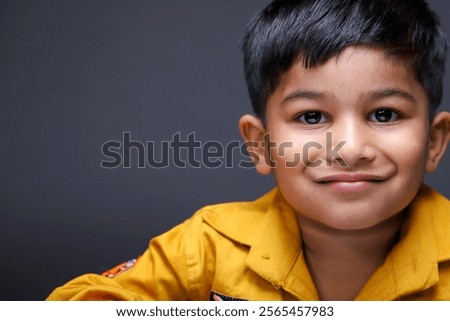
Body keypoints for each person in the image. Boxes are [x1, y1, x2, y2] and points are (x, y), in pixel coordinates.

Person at [47, 0, 450, 301]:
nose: (349, 148)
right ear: (261, 146)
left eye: (384, 114)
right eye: (312, 117)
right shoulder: (208, 244)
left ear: (434, 141)